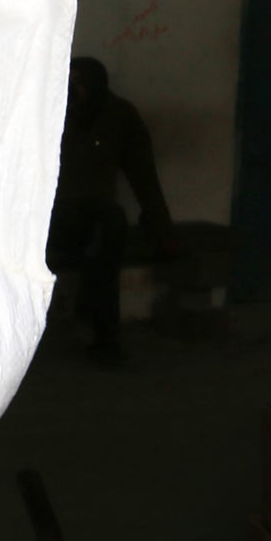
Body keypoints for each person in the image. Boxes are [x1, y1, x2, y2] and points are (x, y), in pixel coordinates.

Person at [47, 55, 172, 364]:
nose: (74, 89)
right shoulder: (50, 112)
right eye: (69, 81)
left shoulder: (118, 117)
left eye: (80, 83)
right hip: (52, 218)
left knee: (108, 229)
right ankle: (90, 323)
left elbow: (143, 175)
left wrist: (161, 227)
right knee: (100, 236)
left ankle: (103, 336)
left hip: (95, 217)